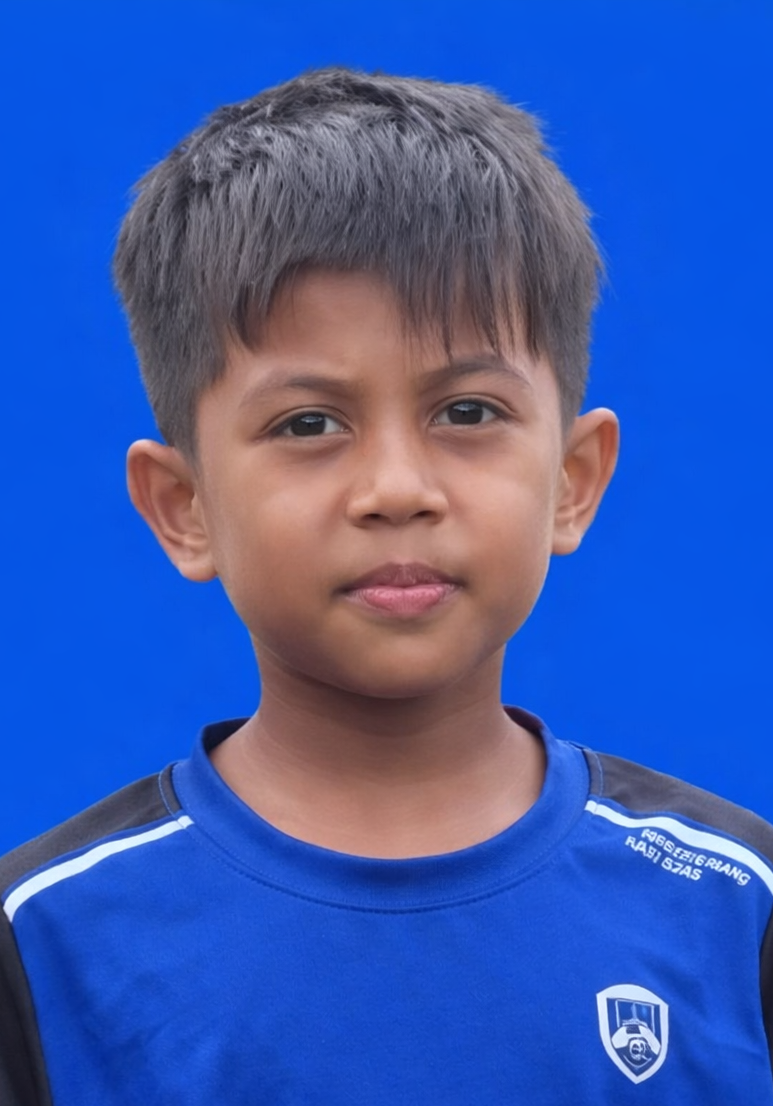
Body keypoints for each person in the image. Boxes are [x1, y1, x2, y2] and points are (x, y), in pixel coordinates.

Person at [0, 67, 770, 1105]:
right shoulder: (43, 940)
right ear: (183, 506)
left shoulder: (734, 907)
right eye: (308, 424)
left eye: (466, 412)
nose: (397, 488)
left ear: (572, 481)